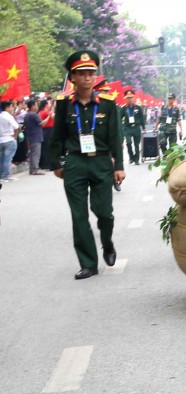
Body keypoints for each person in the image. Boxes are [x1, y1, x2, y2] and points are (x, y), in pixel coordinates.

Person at [47, 51, 125, 279]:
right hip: (75, 162)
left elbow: (115, 137)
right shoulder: (64, 104)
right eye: (81, 74)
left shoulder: (108, 104)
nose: (87, 78)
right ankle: (88, 263)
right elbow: (57, 135)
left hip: (101, 161)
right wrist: (56, 163)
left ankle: (107, 243)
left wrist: (118, 165)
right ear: (72, 78)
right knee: (78, 215)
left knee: (104, 213)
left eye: (91, 73)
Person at [120, 91, 145, 165]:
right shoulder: (123, 108)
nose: (129, 99)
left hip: (136, 128)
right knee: (128, 143)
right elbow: (119, 118)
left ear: (133, 98)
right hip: (127, 128)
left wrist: (144, 128)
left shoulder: (138, 108)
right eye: (128, 98)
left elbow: (141, 118)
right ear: (126, 99)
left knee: (137, 145)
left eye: (131, 98)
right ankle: (131, 157)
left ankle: (136, 159)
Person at [22, 99, 45, 174]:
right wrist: (49, 117)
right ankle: (35, 169)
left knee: (32, 154)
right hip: (35, 137)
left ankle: (32, 170)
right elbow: (42, 123)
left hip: (30, 137)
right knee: (36, 154)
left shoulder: (27, 114)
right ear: (32, 106)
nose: (37, 106)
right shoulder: (33, 114)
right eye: (36, 104)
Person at [0, 101, 18, 182]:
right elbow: (16, 126)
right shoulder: (8, 116)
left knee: (1, 159)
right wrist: (15, 137)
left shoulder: (0, 116)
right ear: (7, 107)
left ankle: (1, 176)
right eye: (11, 106)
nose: (12, 108)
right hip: (9, 139)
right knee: (8, 159)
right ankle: (6, 176)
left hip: (1, 140)